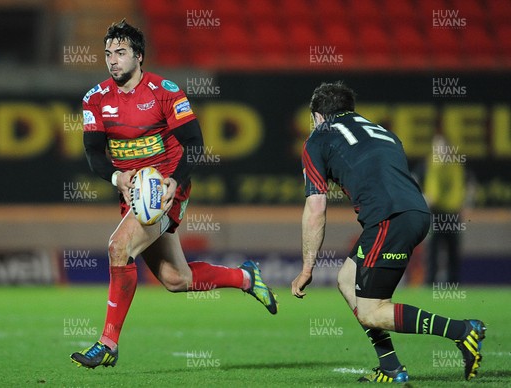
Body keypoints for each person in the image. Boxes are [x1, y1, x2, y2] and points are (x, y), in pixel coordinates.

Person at [69, 20, 277, 369]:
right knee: (176, 279)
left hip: (165, 190)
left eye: (120, 53)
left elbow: (195, 144)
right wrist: (117, 176)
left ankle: (107, 343)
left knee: (119, 247)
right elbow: (93, 152)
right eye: (108, 54)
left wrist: (175, 182)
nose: (113, 60)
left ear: (138, 56)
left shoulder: (165, 91)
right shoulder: (95, 98)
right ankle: (245, 277)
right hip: (133, 193)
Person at [291, 82, 485, 382]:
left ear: (317, 116)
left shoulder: (318, 138)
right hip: (416, 213)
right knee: (346, 280)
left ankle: (462, 330)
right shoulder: (382, 131)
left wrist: (306, 267)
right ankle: (391, 367)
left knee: (371, 311)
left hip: (389, 219)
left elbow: (316, 207)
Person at [424, 134, 466, 285]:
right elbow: (429, 189)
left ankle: (453, 284)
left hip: (452, 214)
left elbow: (457, 189)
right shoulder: (431, 164)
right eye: (437, 146)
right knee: (432, 252)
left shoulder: (455, 165)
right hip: (435, 213)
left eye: (442, 146)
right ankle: (429, 285)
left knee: (453, 252)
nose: (440, 150)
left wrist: (455, 206)